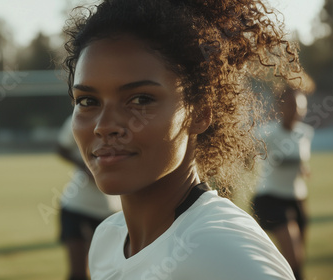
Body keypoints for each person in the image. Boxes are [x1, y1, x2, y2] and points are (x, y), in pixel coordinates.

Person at [62, 0, 304, 279]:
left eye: (140, 99)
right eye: (88, 100)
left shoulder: (224, 252)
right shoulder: (107, 240)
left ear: (200, 112)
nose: (104, 126)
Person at [252, 84, 314, 280]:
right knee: (293, 259)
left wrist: (303, 169)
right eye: (292, 105)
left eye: (300, 107)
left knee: (297, 261)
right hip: (270, 197)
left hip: (297, 199)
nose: (297, 111)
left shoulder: (305, 133)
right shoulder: (266, 133)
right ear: (281, 107)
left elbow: (301, 160)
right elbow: (247, 149)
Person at [57, 115, 121, 280]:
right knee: (78, 274)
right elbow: (61, 148)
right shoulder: (80, 118)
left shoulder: (126, 120)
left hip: (112, 211)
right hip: (76, 207)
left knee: (110, 273)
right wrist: (84, 166)